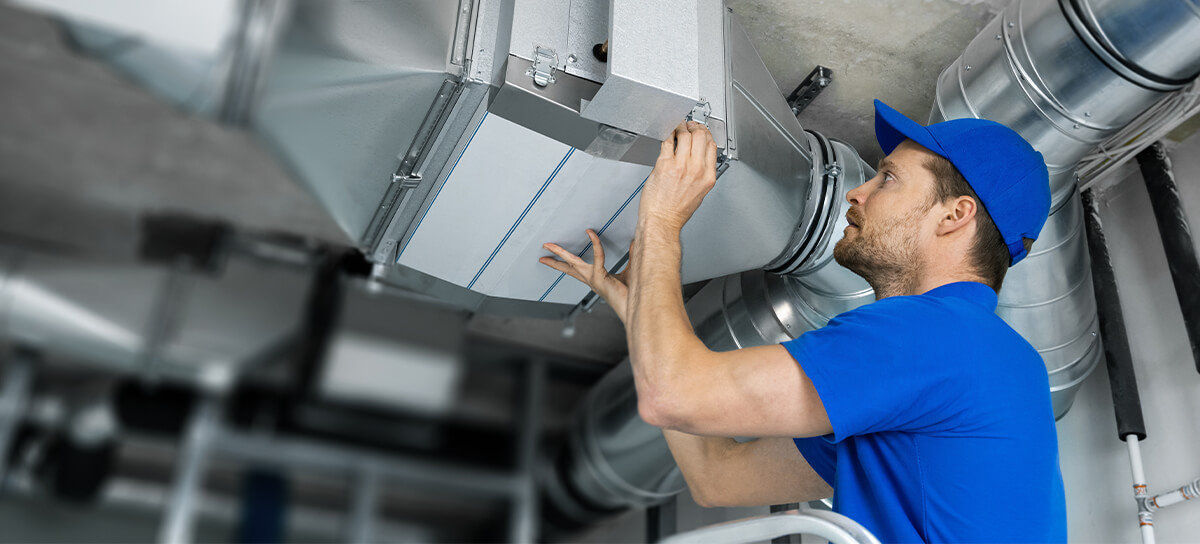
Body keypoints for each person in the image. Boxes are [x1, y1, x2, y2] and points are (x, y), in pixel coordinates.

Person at [538, 100, 1067, 543]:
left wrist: (661, 219)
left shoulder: (936, 338)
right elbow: (715, 477)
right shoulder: (978, 359)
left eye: (888, 178)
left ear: (955, 215)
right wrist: (639, 312)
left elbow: (670, 397)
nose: (858, 192)